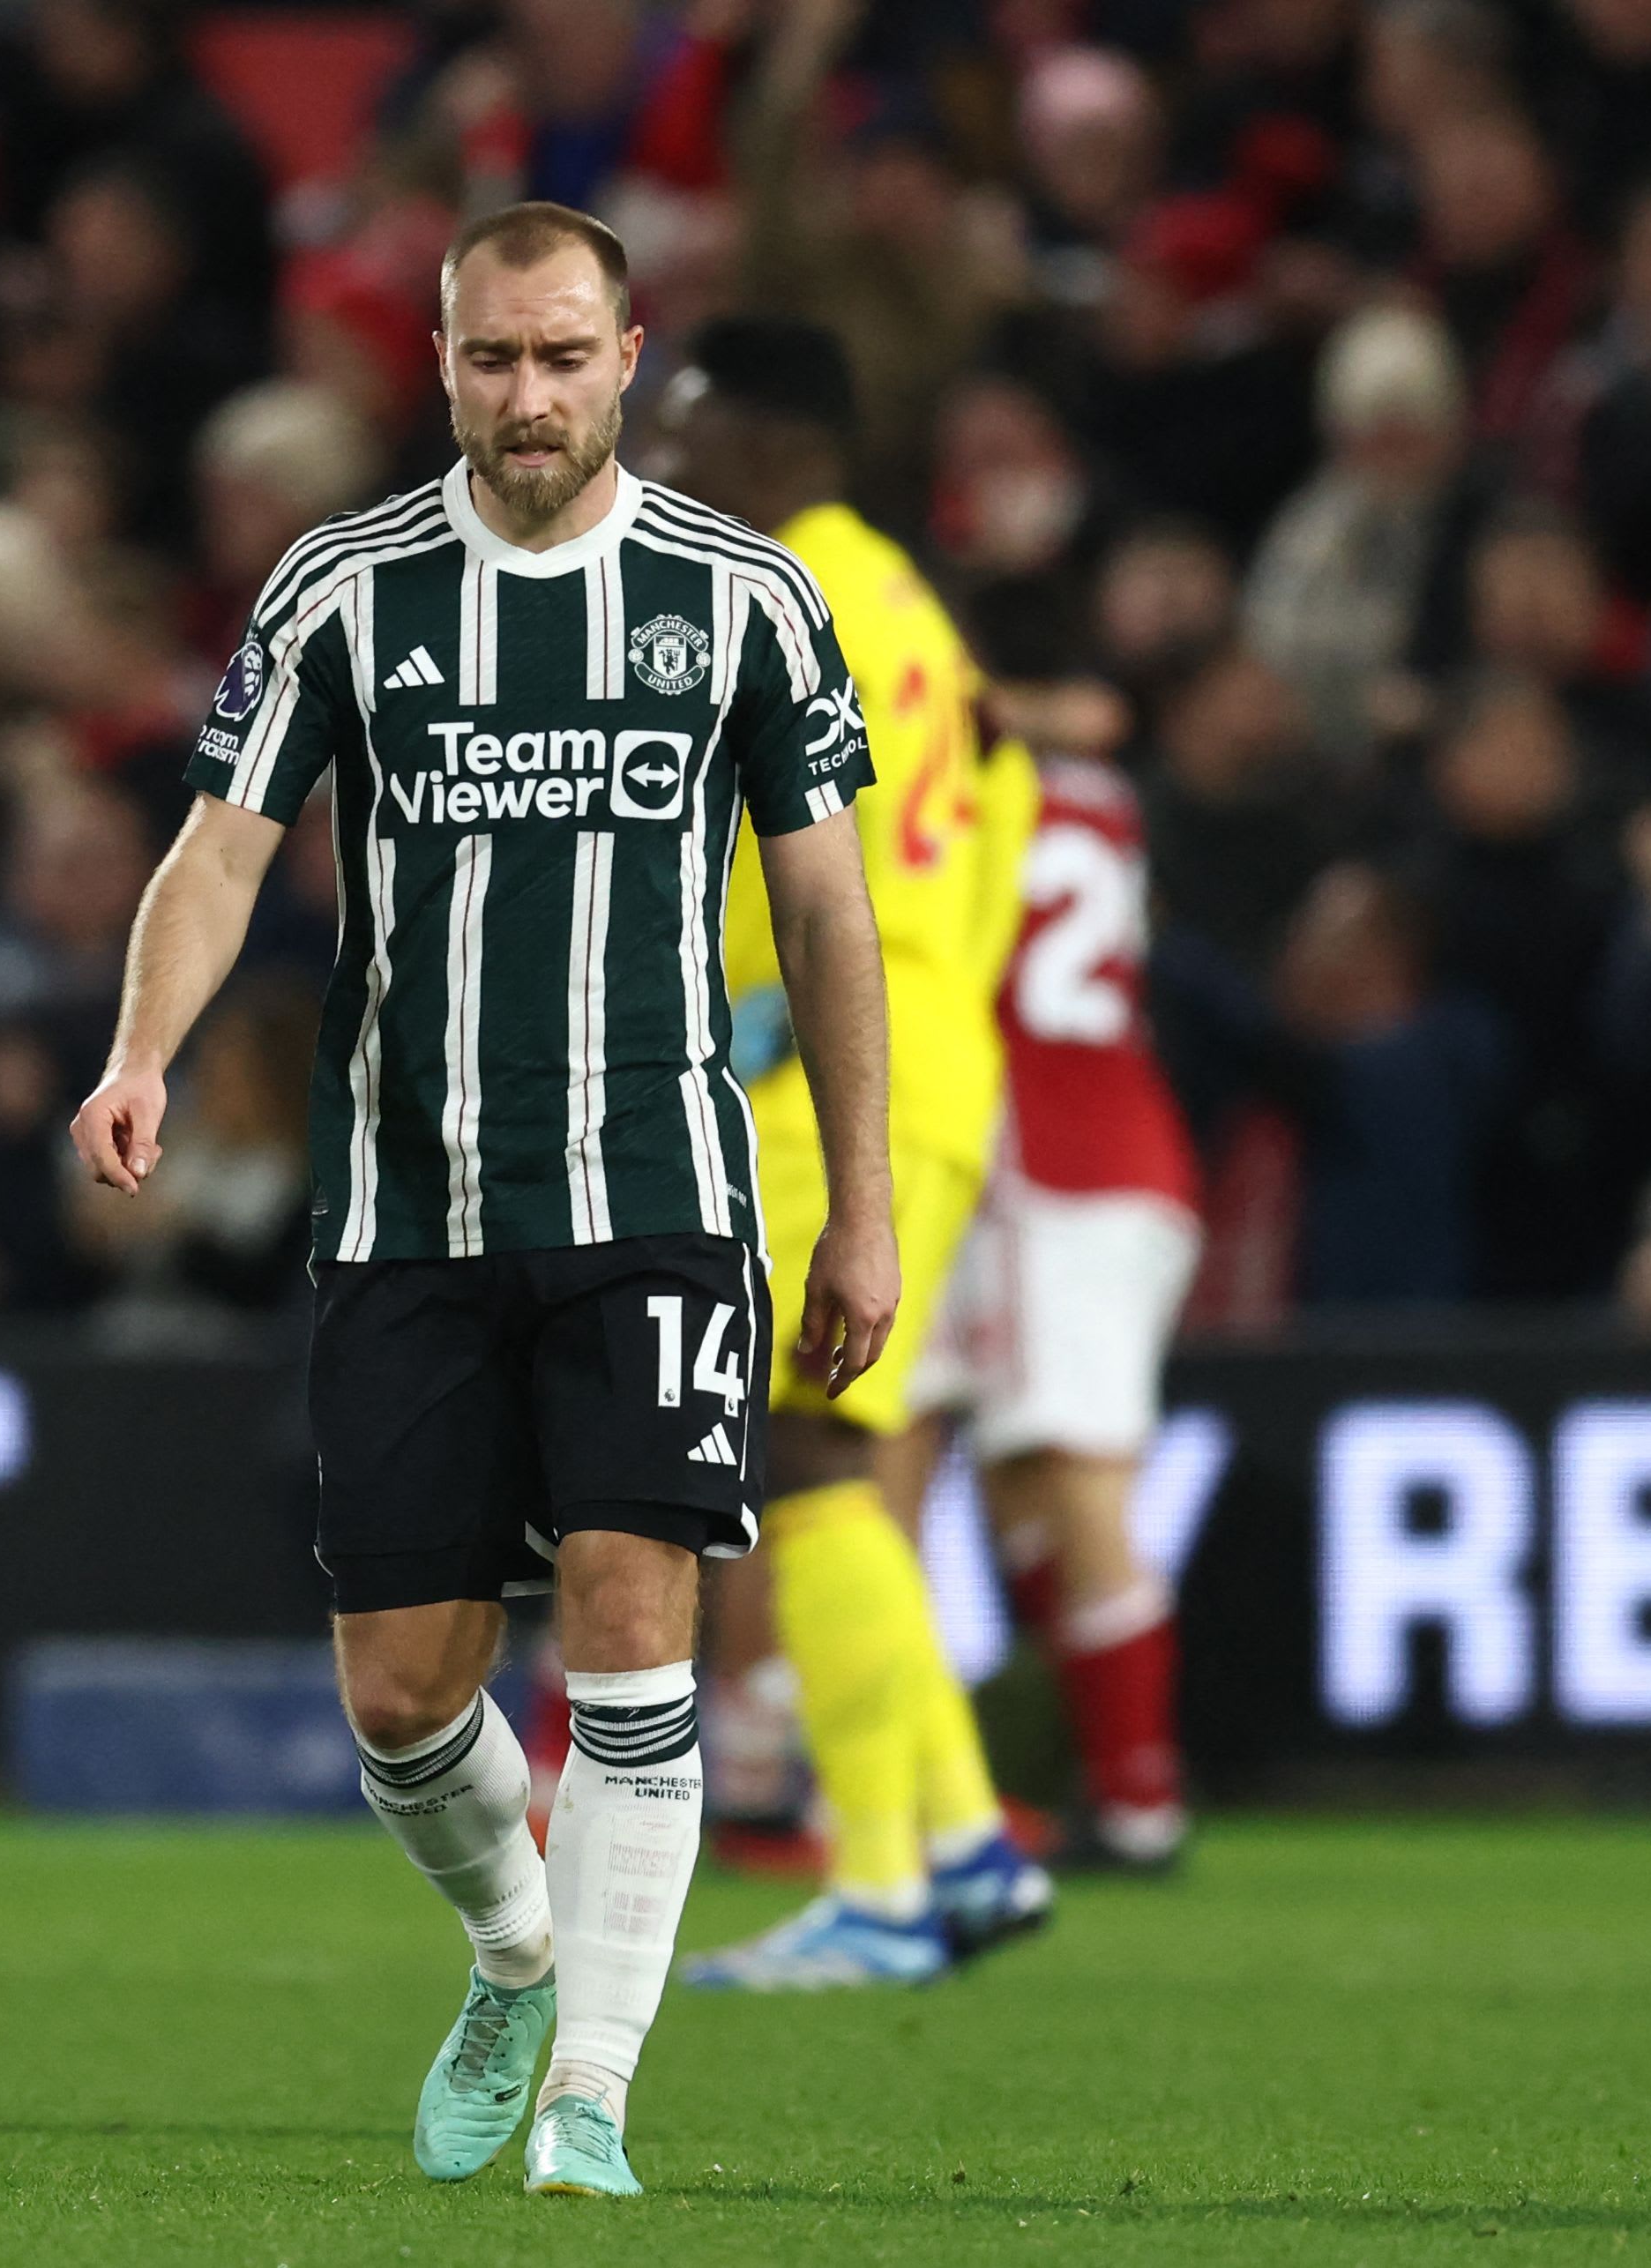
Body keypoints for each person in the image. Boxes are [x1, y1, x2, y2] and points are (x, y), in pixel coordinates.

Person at [70, 205, 892, 2200]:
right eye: (490, 358)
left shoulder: (747, 597)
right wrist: (143, 1047)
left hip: (656, 1191)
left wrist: (856, 1202)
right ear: (439, 364)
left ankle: (590, 2100)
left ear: (628, 360)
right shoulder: (342, 587)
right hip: (406, 1206)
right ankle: (517, 1953)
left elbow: (824, 910)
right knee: (399, 1699)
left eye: (561, 356)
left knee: (629, 1625)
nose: (527, 396)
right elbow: (220, 848)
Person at [646, 316, 1050, 1994]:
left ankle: (881, 1888)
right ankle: (958, 1845)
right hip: (928, 1054)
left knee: (800, 1449)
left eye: (685, 424)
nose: (662, 455)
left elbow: (787, 844)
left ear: (768, 436)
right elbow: (1007, 806)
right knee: (818, 1444)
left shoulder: (782, 591)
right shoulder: (908, 605)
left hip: (830, 1070)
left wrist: (762, 1014)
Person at [915, 754, 1203, 1872]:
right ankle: (1100, 1769)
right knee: (1024, 1490)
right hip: (1130, 1144)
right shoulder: (1106, 798)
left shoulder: (959, 787)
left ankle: (1140, 1802)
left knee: (1080, 1490)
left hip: (1051, 1167)